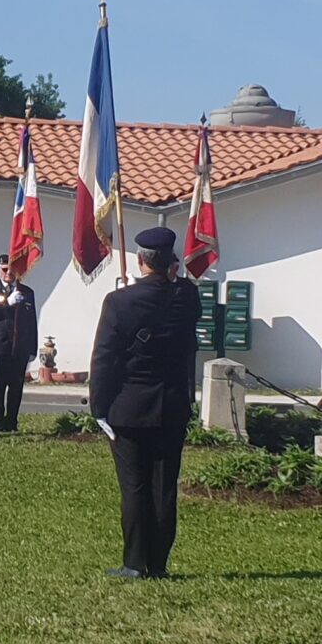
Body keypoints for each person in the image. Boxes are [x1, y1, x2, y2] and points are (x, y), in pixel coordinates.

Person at [88, 226, 202, 579]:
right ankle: (159, 563)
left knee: (134, 487)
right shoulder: (188, 297)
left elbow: (105, 358)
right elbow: (180, 290)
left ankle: (135, 562)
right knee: (164, 487)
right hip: (171, 405)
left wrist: (98, 407)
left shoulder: (119, 301)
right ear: (171, 262)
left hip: (130, 406)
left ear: (140, 261)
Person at [0, 254, 40, 433]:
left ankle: (12, 421)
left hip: (19, 347)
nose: (8, 273)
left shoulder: (26, 292)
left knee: (16, 386)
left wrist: (32, 348)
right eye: (4, 269)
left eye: (12, 270)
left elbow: (31, 322)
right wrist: (7, 302)